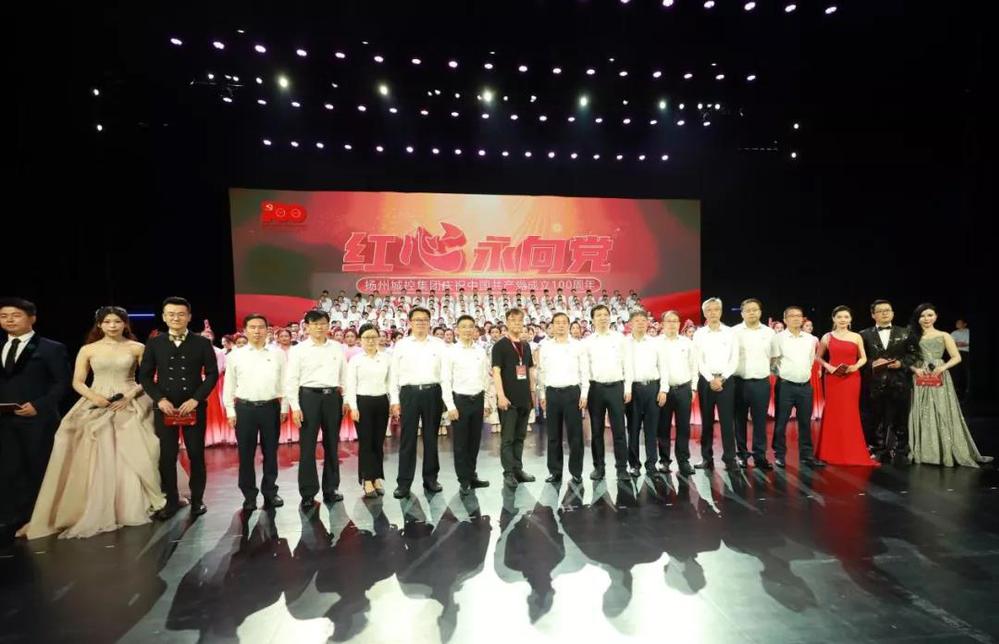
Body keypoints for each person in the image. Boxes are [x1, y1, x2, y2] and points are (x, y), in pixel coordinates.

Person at [17, 306, 165, 539]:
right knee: (87, 444)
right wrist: (95, 398)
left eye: (117, 321)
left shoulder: (137, 347)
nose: (112, 326)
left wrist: (129, 396)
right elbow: (77, 381)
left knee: (136, 445)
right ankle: (95, 503)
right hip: (96, 397)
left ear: (125, 324)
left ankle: (134, 501)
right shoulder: (88, 349)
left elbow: (146, 378)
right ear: (99, 324)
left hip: (129, 399)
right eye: (107, 322)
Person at [138, 296, 219, 519]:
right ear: (164, 317)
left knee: (196, 454)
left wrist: (196, 399)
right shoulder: (155, 343)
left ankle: (198, 500)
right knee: (166, 456)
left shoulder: (202, 343)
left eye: (181, 314)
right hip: (165, 407)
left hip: (193, 406)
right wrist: (159, 399)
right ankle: (171, 501)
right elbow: (145, 376)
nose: (176, 318)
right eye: (171, 314)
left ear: (189, 317)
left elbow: (212, 374)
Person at [1, 298, 70, 538]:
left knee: (39, 468)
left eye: (15, 315)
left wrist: (39, 406)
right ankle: (13, 516)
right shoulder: (1, 346)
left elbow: (62, 383)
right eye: (4, 316)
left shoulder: (50, 348)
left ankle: (40, 517)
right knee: (10, 469)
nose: (9, 320)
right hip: (5, 420)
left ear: (32, 318)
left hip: (38, 419)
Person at [906, 304, 992, 467]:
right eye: (922, 316)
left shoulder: (944, 335)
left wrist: (942, 368)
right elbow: (905, 358)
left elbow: (956, 357)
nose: (926, 319)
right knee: (921, 410)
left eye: (930, 315)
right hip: (920, 375)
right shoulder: (912, 336)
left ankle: (944, 450)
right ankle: (925, 451)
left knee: (942, 409)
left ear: (936, 316)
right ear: (917, 318)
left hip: (939, 375)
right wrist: (915, 369)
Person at [224, 314, 288, 512]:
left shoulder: (278, 354)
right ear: (245, 330)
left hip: (271, 407)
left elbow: (285, 381)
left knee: (271, 452)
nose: (257, 331)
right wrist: (230, 410)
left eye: (261, 327)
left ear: (267, 330)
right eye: (252, 327)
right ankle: (249, 496)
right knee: (246, 454)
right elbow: (229, 385)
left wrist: (284, 407)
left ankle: (270, 492)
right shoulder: (235, 355)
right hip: (245, 409)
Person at [286, 310, 347, 508]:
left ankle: (331, 488)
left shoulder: (337, 347)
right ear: (307, 326)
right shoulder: (298, 350)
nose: (319, 327)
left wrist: (346, 399)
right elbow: (291, 379)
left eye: (323, 323)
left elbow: (344, 375)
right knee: (307, 446)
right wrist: (295, 407)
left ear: (328, 326)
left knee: (332, 444)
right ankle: (308, 492)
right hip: (308, 398)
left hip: (332, 398)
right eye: (315, 323)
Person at [390, 307, 447, 498]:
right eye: (417, 320)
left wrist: (446, 398)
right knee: (408, 439)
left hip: (433, 393)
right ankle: (404, 483)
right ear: (410, 322)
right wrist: (395, 400)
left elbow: (445, 373)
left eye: (424, 320)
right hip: (409, 394)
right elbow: (394, 374)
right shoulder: (402, 345)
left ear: (430, 322)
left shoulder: (439, 344)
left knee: (431, 438)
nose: (421, 323)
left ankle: (431, 479)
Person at [859, 299, 916, 464]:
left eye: (887, 310)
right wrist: (872, 363)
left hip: (899, 382)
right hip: (874, 383)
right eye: (880, 311)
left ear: (893, 313)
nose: (884, 313)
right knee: (876, 418)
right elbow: (859, 357)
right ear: (873, 315)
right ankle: (878, 449)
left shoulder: (906, 332)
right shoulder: (863, 334)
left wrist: (901, 363)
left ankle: (901, 451)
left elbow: (914, 354)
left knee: (901, 418)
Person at [441, 315, 493, 496]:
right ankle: (463, 480)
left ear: (475, 330)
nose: (467, 330)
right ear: (457, 330)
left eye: (470, 326)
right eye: (463, 326)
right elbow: (445, 380)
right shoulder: (451, 352)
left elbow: (485, 378)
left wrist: (486, 401)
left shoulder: (480, 351)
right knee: (461, 444)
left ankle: (472, 475)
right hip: (460, 401)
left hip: (477, 400)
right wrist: (450, 406)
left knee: (474, 441)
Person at [815, 306, 873, 466]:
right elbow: (818, 357)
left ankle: (852, 451)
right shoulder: (827, 337)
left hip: (852, 378)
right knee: (833, 412)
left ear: (850, 319)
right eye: (839, 317)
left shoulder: (856, 337)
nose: (843, 320)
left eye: (846, 317)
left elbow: (863, 358)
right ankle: (829, 451)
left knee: (850, 412)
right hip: (832, 377)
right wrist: (829, 367)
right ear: (833, 318)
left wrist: (855, 366)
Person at [537, 312, 589, 485]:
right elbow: (542, 372)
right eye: (557, 322)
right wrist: (542, 394)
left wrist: (584, 393)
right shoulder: (545, 346)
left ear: (568, 325)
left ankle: (576, 472)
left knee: (575, 435)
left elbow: (584, 371)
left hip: (572, 393)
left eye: (564, 322)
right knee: (553, 435)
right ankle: (555, 471)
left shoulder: (578, 346)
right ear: (551, 326)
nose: (560, 325)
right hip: (552, 393)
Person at [582, 304, 633, 480]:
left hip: (616, 388)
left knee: (619, 430)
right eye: (599, 315)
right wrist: (585, 392)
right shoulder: (587, 342)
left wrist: (628, 388)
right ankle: (599, 467)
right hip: (595, 389)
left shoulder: (620, 339)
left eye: (605, 314)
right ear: (592, 319)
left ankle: (621, 468)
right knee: (596, 431)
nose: (603, 318)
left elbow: (627, 364)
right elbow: (585, 369)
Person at [770, 306, 825, 469]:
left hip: (805, 387)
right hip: (785, 386)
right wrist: (783, 374)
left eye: (799, 316)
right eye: (792, 316)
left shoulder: (810, 339)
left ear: (803, 319)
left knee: (805, 423)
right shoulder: (778, 338)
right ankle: (779, 455)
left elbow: (811, 360)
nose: (796, 318)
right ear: (785, 319)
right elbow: (773, 361)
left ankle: (807, 456)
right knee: (781, 422)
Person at [345, 323, 392, 498]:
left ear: (379, 338)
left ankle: (377, 477)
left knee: (378, 442)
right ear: (360, 340)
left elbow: (390, 382)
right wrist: (353, 407)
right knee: (366, 443)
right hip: (362, 403)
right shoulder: (356, 360)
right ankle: (366, 479)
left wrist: (394, 402)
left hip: (381, 401)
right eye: (366, 338)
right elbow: (351, 385)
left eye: (374, 337)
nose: (371, 341)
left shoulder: (386, 358)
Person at [692, 298, 740, 470]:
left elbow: (734, 359)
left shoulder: (730, 333)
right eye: (709, 310)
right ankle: (706, 458)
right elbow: (698, 360)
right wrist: (710, 378)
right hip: (706, 382)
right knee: (706, 421)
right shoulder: (699, 334)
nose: (713, 313)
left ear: (721, 311)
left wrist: (722, 378)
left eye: (716, 309)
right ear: (704, 313)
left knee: (727, 421)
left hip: (726, 381)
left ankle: (730, 459)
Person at [493, 308, 538, 489]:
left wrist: (532, 394)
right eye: (513, 320)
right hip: (508, 400)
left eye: (520, 320)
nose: (517, 323)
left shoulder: (526, 346)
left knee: (520, 437)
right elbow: (496, 372)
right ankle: (508, 473)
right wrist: (501, 396)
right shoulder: (500, 346)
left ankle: (518, 470)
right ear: (507, 322)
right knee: (508, 438)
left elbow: (529, 370)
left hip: (524, 398)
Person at [732, 299, 776, 469]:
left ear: (760, 312)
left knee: (760, 421)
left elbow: (774, 356)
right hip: (739, 382)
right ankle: (742, 455)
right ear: (742, 313)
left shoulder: (769, 332)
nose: (751, 313)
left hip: (761, 383)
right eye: (748, 310)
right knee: (739, 420)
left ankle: (760, 456)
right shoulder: (734, 332)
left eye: (755, 310)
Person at [626, 310, 668, 478]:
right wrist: (626, 389)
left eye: (643, 320)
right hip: (633, 389)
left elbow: (663, 367)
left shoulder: (655, 343)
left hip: (652, 388)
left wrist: (663, 389)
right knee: (633, 428)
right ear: (630, 323)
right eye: (637, 320)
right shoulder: (624, 343)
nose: (641, 323)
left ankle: (651, 464)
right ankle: (634, 464)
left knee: (652, 429)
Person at [656, 311, 698, 476]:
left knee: (683, 427)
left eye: (675, 321)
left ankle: (683, 461)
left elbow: (694, 367)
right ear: (662, 324)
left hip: (683, 389)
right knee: (663, 427)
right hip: (663, 391)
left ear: (680, 324)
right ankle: (664, 461)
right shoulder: (656, 343)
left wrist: (693, 388)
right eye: (669, 321)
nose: (672, 324)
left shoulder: (687, 343)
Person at [950, 318, 970, 401]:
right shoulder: (954, 333)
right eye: (957, 322)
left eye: (959, 322)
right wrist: (959, 344)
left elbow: (966, 343)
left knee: (967, 371)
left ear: (964, 324)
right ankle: (956, 389)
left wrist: (960, 344)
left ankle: (967, 389)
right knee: (956, 371)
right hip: (956, 353)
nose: (957, 324)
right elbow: (951, 343)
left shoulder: (968, 332)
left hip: (966, 353)